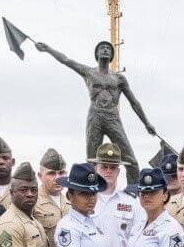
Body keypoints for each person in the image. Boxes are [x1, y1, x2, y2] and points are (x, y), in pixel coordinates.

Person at [34, 39, 159, 184]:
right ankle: (90, 191)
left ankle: (135, 191)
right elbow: (66, 60)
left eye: (108, 48)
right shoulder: (88, 72)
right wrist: (48, 48)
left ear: (111, 55)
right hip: (95, 116)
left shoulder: (119, 79)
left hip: (112, 117)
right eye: (102, 48)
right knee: (91, 160)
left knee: (130, 159)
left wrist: (147, 123)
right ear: (97, 54)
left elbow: (134, 102)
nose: (105, 50)